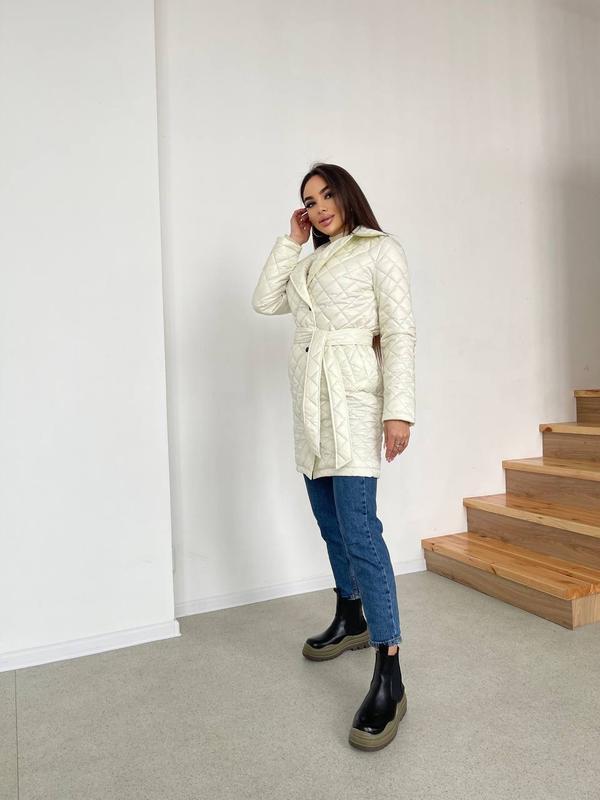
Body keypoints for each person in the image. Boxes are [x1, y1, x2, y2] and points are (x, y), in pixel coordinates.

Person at [251, 162, 416, 752]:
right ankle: (351, 614)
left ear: (346, 195)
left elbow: (399, 333)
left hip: (352, 399)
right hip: (309, 401)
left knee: (361, 529)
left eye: (326, 195)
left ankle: (389, 669)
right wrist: (291, 243)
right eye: (309, 201)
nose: (319, 208)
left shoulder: (380, 249)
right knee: (329, 521)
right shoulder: (308, 260)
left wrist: (398, 411)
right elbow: (264, 301)